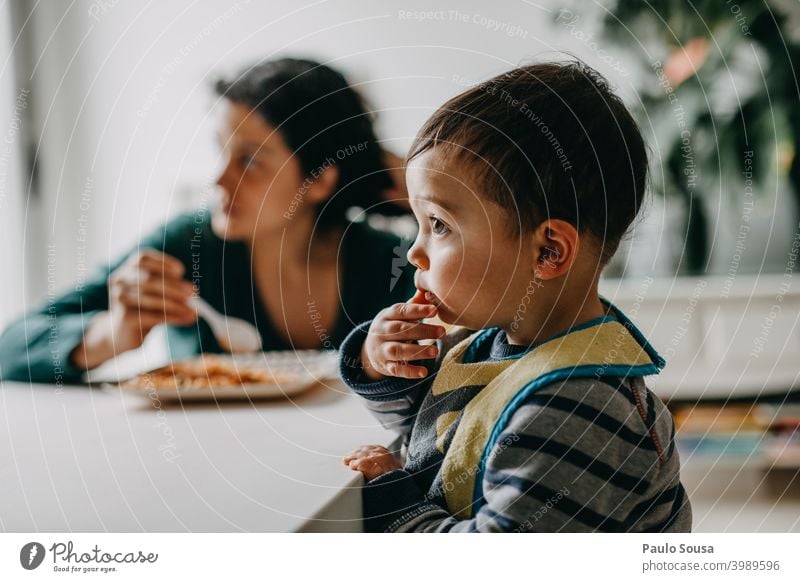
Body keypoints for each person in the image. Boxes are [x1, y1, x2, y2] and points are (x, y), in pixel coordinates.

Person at [339, 61, 692, 532]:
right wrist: (379, 361)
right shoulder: (486, 342)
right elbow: (420, 434)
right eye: (418, 224)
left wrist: (391, 498)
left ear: (548, 251)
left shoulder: (576, 408)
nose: (416, 252)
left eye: (439, 225)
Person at [0, 58, 415, 384]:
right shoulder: (185, 246)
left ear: (320, 179)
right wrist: (109, 334)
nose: (219, 179)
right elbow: (10, 348)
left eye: (249, 161)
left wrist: (426, 194)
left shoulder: (390, 260)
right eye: (221, 151)